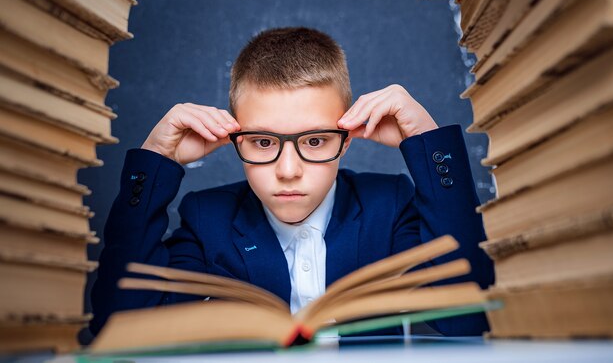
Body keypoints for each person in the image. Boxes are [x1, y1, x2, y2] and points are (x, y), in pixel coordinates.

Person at [90, 27, 494, 337]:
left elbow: (469, 316)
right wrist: (156, 160)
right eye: (263, 142)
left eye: (315, 141)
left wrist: (426, 141)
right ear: (235, 139)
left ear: (347, 140)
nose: (288, 169)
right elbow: (120, 323)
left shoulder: (387, 207)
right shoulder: (207, 218)